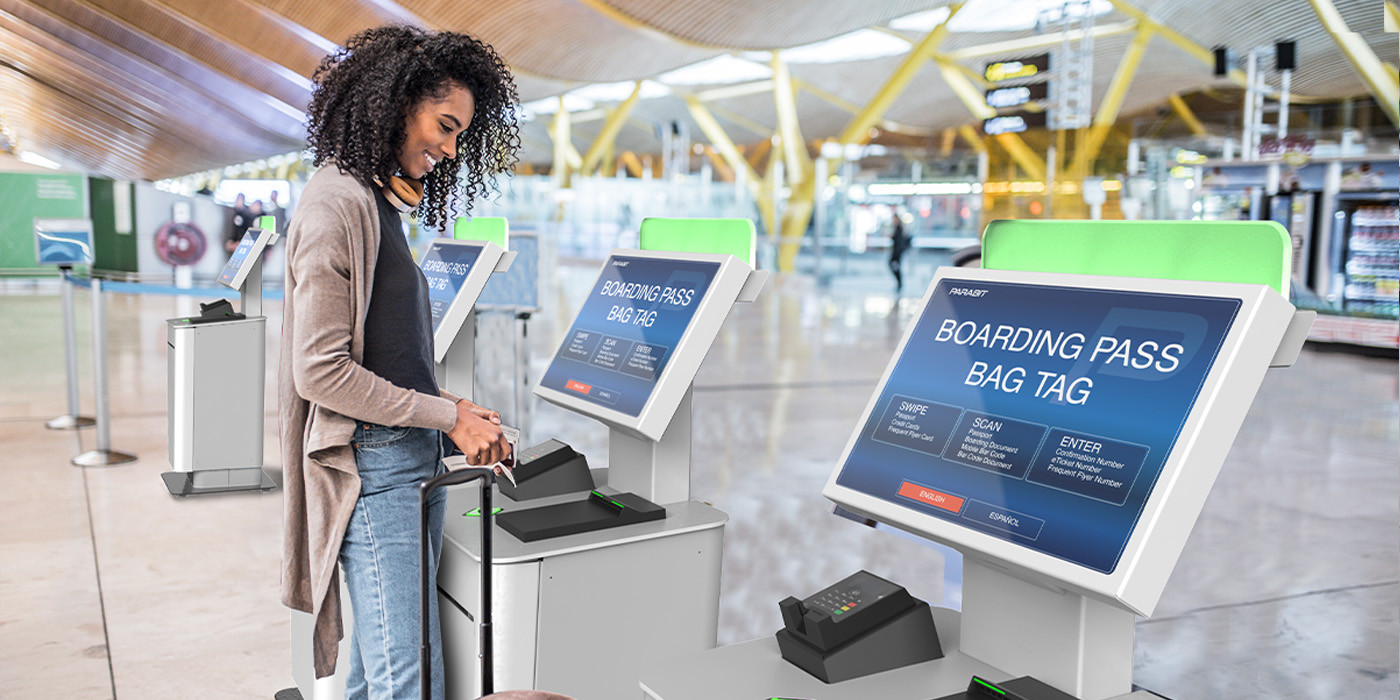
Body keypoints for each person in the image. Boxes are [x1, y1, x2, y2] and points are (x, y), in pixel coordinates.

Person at [278, 25, 523, 700]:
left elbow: (387, 354)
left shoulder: (374, 203)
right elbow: (320, 371)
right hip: (378, 468)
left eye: (457, 137)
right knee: (406, 680)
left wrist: (456, 411)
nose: (447, 150)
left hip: (405, 455)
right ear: (398, 99)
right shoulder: (337, 206)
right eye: (444, 126)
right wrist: (445, 415)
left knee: (382, 667)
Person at [888, 210, 911, 293]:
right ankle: (899, 283)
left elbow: (898, 241)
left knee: (894, 265)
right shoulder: (899, 227)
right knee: (895, 266)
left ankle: (899, 283)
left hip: (897, 251)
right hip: (898, 251)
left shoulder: (899, 227)